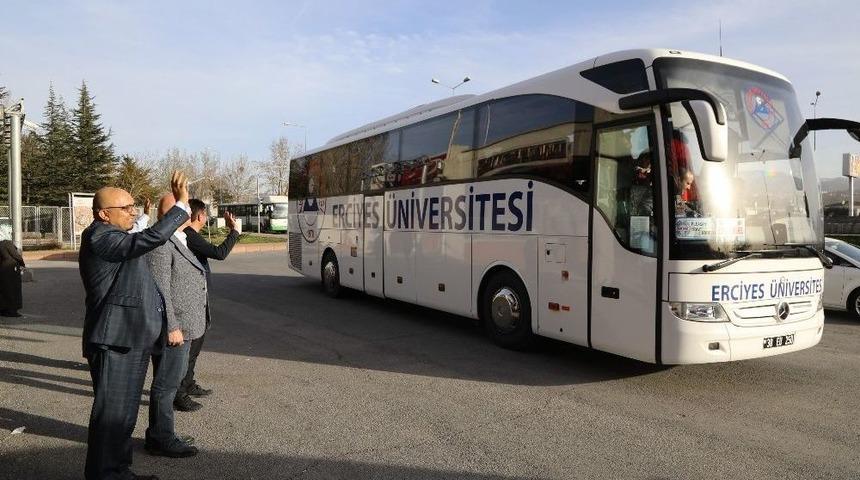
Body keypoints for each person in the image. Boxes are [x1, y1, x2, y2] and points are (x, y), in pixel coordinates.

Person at [79, 171, 189, 480]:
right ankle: (105, 474)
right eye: (125, 208)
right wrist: (180, 204)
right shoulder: (100, 236)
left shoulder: (116, 236)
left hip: (131, 338)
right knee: (111, 416)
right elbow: (151, 238)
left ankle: (118, 470)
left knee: (124, 415)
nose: (133, 212)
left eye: (133, 206)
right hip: (116, 340)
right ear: (104, 214)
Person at [144, 194, 207, 457]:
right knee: (166, 385)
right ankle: (161, 438)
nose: (187, 212)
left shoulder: (177, 238)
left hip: (186, 325)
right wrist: (172, 325)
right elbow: (161, 290)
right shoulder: (161, 243)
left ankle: (163, 433)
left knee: (169, 382)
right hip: (176, 328)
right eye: (180, 207)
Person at [173, 199, 240, 411]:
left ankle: (189, 383)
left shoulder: (191, 236)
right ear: (199, 215)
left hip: (199, 299)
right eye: (205, 214)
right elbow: (220, 253)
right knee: (190, 350)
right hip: (192, 302)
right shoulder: (190, 236)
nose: (206, 217)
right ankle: (180, 392)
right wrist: (234, 232)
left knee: (196, 347)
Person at [0, 226, 24, 317]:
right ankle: (12, 311)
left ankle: (3, 309)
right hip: (11, 270)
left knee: (4, 290)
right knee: (13, 290)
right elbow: (16, 255)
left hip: (2, 269)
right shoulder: (7, 243)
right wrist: (22, 263)